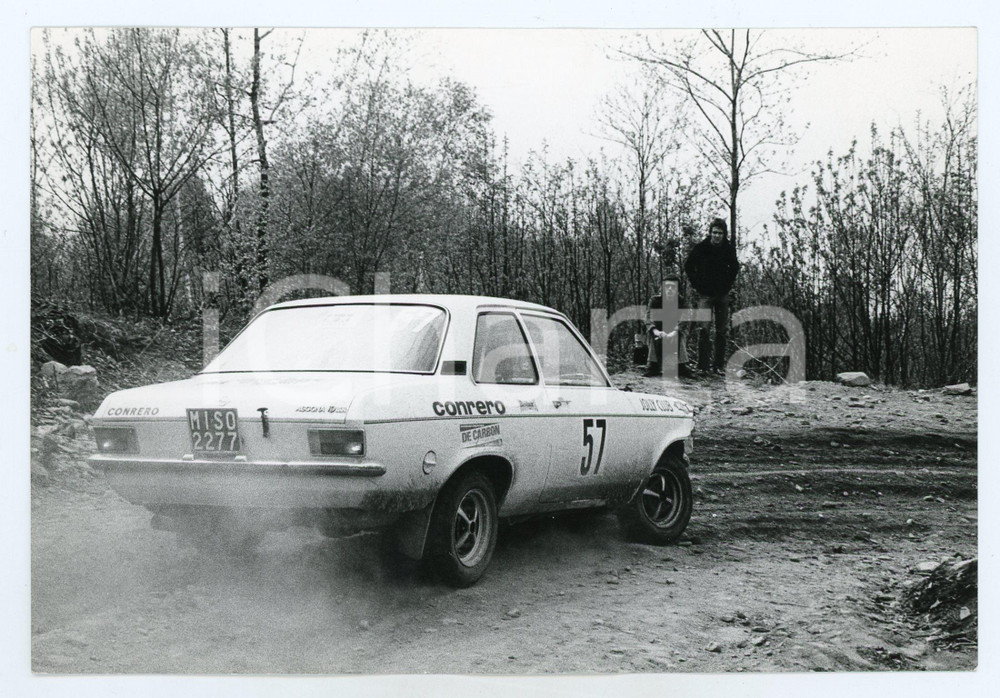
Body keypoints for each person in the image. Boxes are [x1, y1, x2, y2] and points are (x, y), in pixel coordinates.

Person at [684, 217, 740, 376]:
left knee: (721, 331)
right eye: (714, 232)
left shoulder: (728, 249)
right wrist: (697, 285)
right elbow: (688, 266)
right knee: (704, 329)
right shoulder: (702, 247)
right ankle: (702, 366)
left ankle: (718, 367)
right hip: (705, 296)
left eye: (720, 233)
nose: (717, 235)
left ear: (724, 234)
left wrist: (727, 285)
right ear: (710, 233)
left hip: (722, 295)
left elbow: (735, 267)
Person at [644, 275, 694, 379]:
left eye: (673, 287)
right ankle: (653, 365)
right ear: (663, 288)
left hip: (675, 330)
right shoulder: (655, 300)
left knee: (682, 332)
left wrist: (674, 332)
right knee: (650, 331)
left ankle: (681, 365)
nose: (670, 289)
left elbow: (685, 319)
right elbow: (648, 318)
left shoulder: (682, 302)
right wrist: (656, 331)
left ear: (677, 289)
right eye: (667, 286)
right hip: (659, 330)